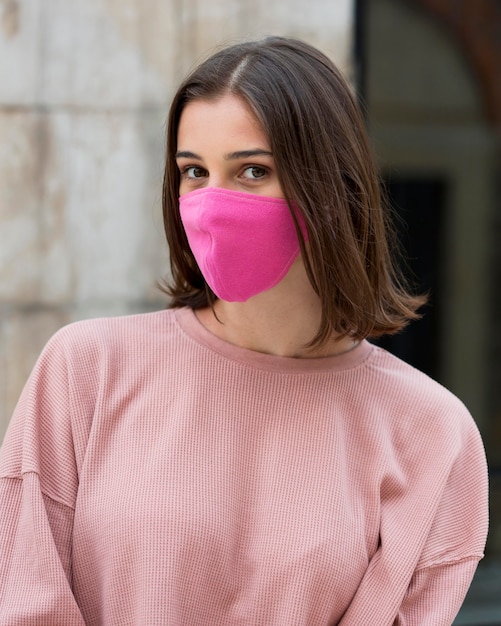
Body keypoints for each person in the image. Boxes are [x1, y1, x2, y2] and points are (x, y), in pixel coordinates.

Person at [0, 36, 488, 625]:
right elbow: (27, 596)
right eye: (193, 172)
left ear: (331, 186)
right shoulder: (85, 369)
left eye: (252, 170)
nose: (211, 203)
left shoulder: (432, 431)